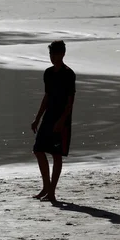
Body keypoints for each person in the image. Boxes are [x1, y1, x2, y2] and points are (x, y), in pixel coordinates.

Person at [31, 40, 76, 203]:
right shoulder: (48, 73)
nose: (53, 57)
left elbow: (70, 101)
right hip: (48, 117)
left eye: (56, 54)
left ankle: (52, 192)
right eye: (51, 54)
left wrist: (62, 121)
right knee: (38, 150)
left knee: (57, 155)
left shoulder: (68, 74)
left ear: (63, 54)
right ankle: (46, 187)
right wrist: (37, 118)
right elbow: (47, 97)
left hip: (62, 119)